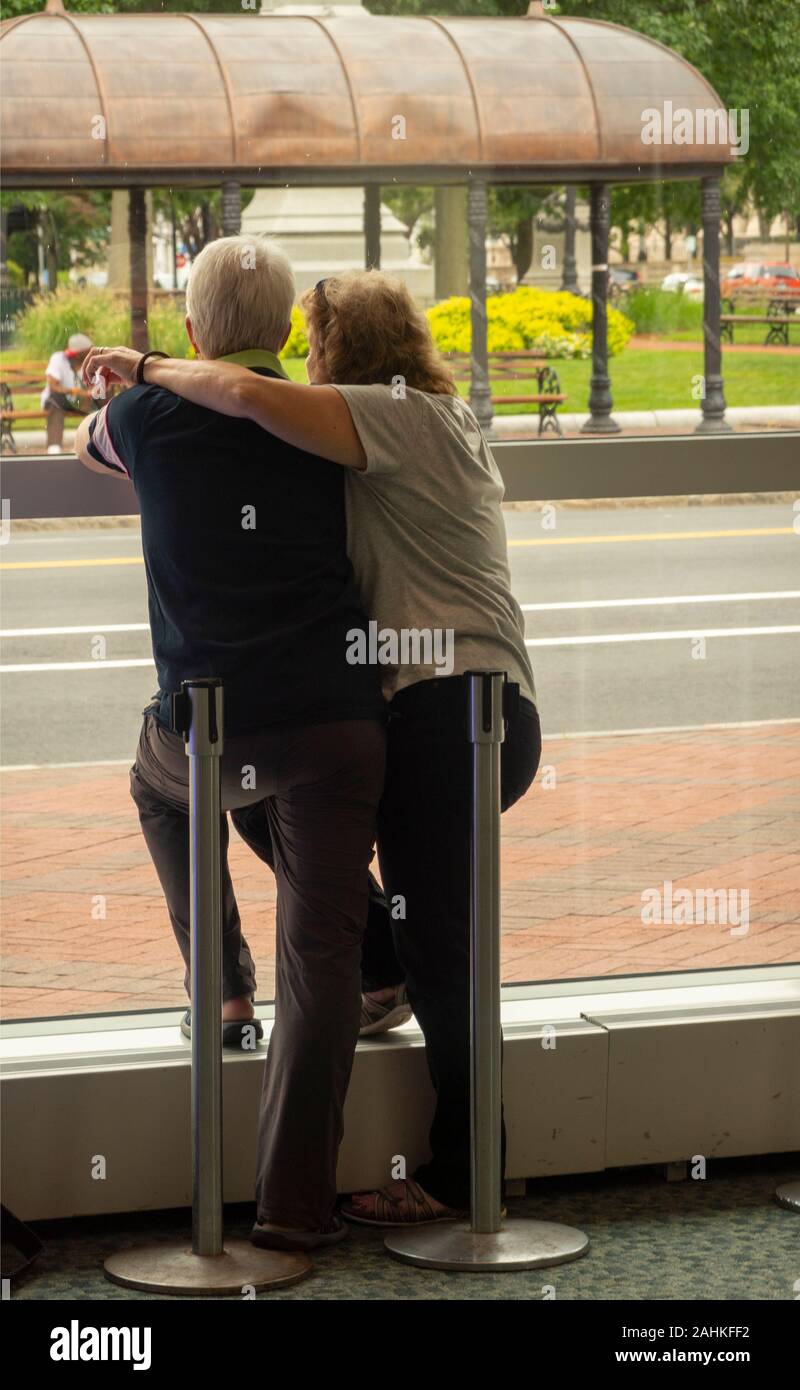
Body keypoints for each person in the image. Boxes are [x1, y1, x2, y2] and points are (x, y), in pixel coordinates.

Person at [82, 268, 542, 1228]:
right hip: (445, 710)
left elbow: (245, 394)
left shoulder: (381, 415)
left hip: (449, 707)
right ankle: (371, 1020)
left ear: (338, 355)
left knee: (443, 949)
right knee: (355, 900)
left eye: (318, 348)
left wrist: (140, 368)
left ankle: (466, 1181)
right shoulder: (412, 423)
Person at [74, 239, 387, 1251]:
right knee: (323, 956)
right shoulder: (326, 418)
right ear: (289, 330)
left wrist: (118, 377)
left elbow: (84, 445)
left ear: (195, 331)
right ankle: (294, 1212)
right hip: (341, 722)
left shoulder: (142, 416)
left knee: (159, 781)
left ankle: (219, 988)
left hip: (215, 729)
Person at [42, 332, 94, 453]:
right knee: (55, 398)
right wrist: (76, 391)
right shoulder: (58, 359)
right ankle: (54, 447)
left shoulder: (93, 361)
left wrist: (92, 392)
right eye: (88, 351)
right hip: (61, 402)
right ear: (79, 354)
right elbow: (52, 386)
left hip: (84, 402)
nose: (91, 353)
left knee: (102, 396)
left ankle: (93, 443)